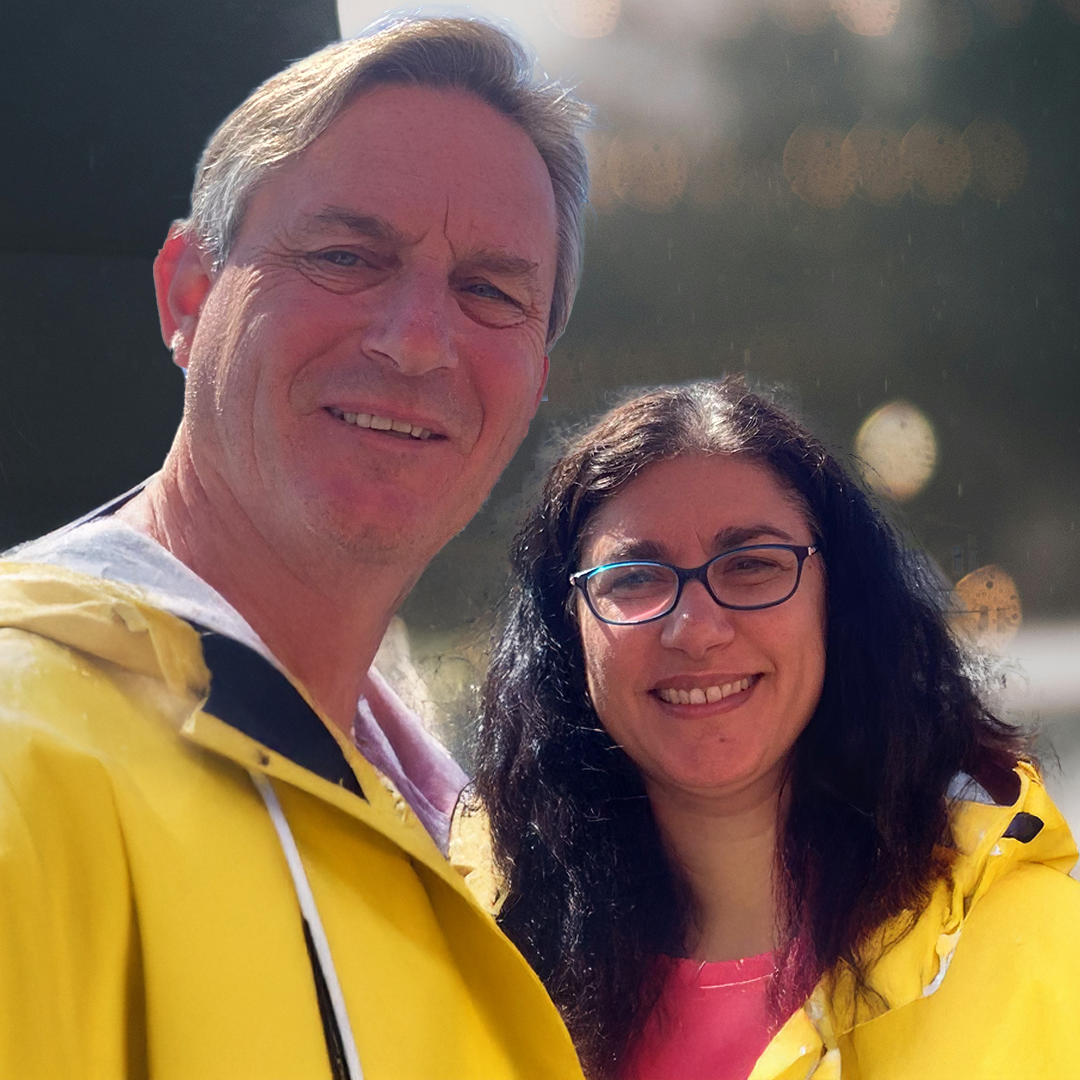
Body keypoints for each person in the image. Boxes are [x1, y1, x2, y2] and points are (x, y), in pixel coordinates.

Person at [0, 17, 589, 1080]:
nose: (417, 342)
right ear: (188, 296)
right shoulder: (21, 755)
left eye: (491, 291)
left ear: (536, 378)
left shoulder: (473, 852)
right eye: (345, 257)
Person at [471, 378, 1080, 1080]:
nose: (695, 630)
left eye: (752, 566)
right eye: (634, 578)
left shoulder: (1040, 947)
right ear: (566, 631)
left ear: (839, 603)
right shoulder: (479, 956)